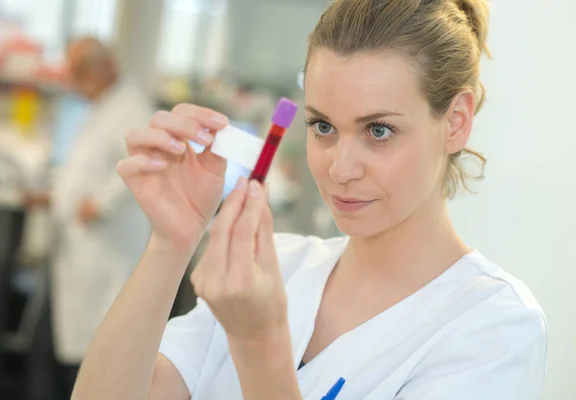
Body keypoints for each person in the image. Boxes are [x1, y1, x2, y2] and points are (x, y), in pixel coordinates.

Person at [71, 1, 547, 399]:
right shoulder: (277, 267)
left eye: (379, 131)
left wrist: (259, 343)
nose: (339, 169)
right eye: (323, 126)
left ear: (457, 121)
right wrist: (170, 243)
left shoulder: (494, 326)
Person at [25, 37, 151, 400]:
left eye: (76, 74)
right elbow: (88, 169)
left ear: (98, 71)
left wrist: (97, 203)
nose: (72, 82)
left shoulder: (129, 106)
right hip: (81, 250)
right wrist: (57, 195)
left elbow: (141, 164)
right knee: (71, 346)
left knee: (95, 352)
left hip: (103, 249)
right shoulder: (104, 106)